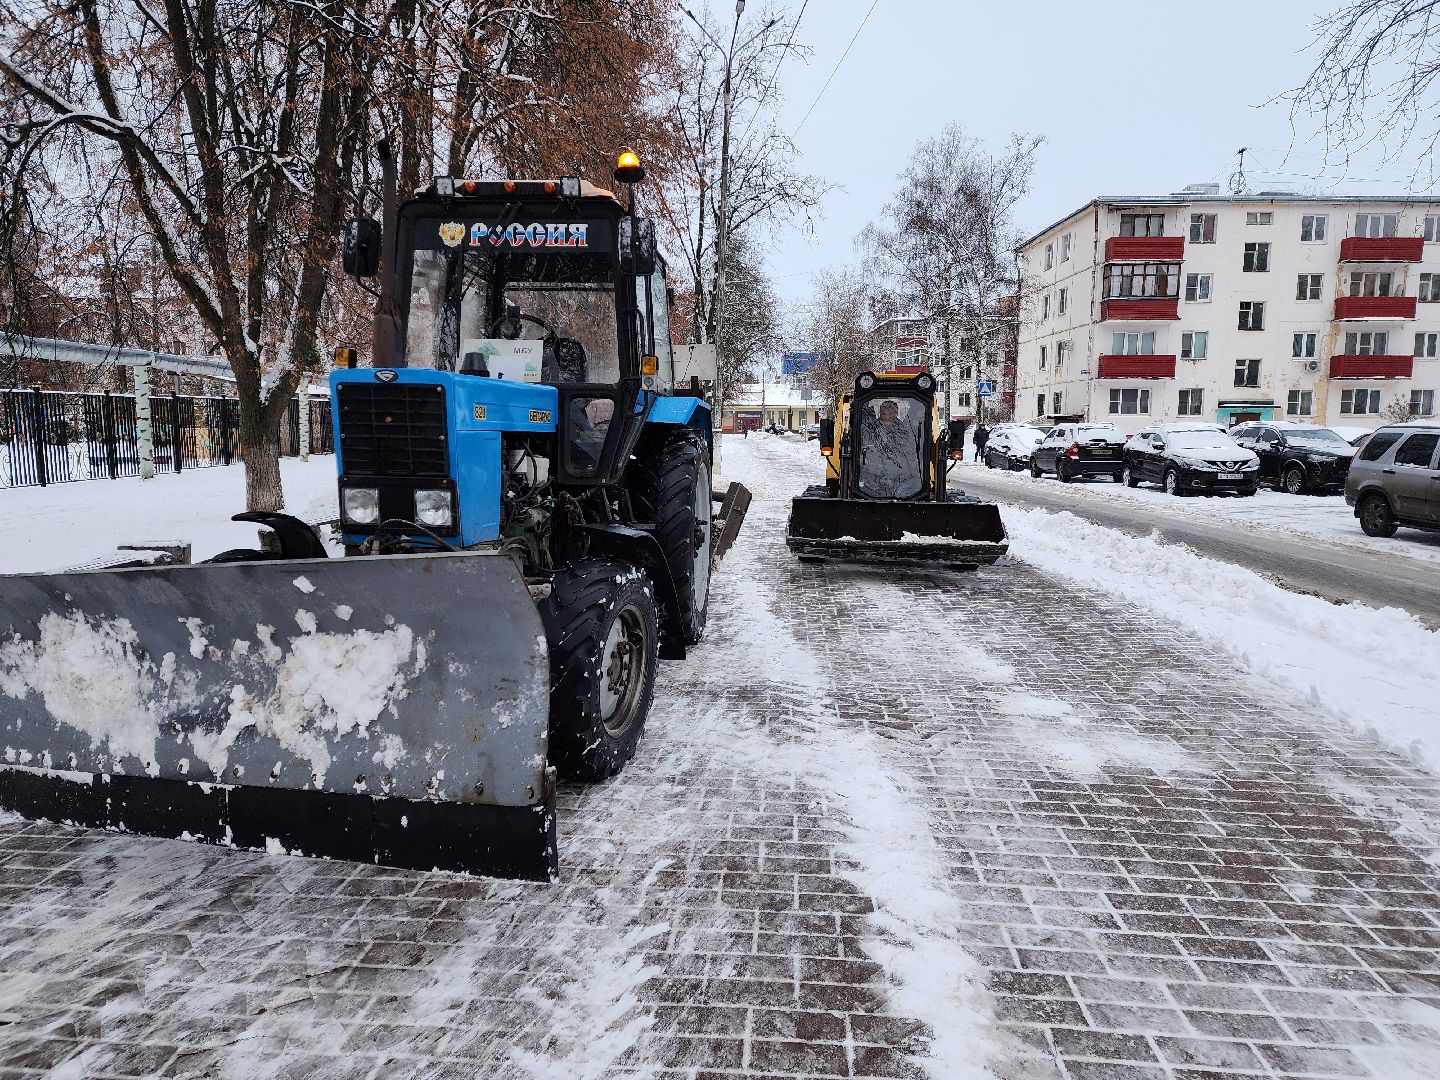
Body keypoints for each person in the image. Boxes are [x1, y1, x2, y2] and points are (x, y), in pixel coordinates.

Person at [859, 398, 922, 497]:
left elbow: (913, 453)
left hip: (901, 478)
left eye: (891, 414)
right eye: (885, 414)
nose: (888, 417)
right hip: (874, 478)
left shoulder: (906, 431)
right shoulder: (870, 431)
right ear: (880, 414)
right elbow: (864, 450)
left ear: (896, 414)